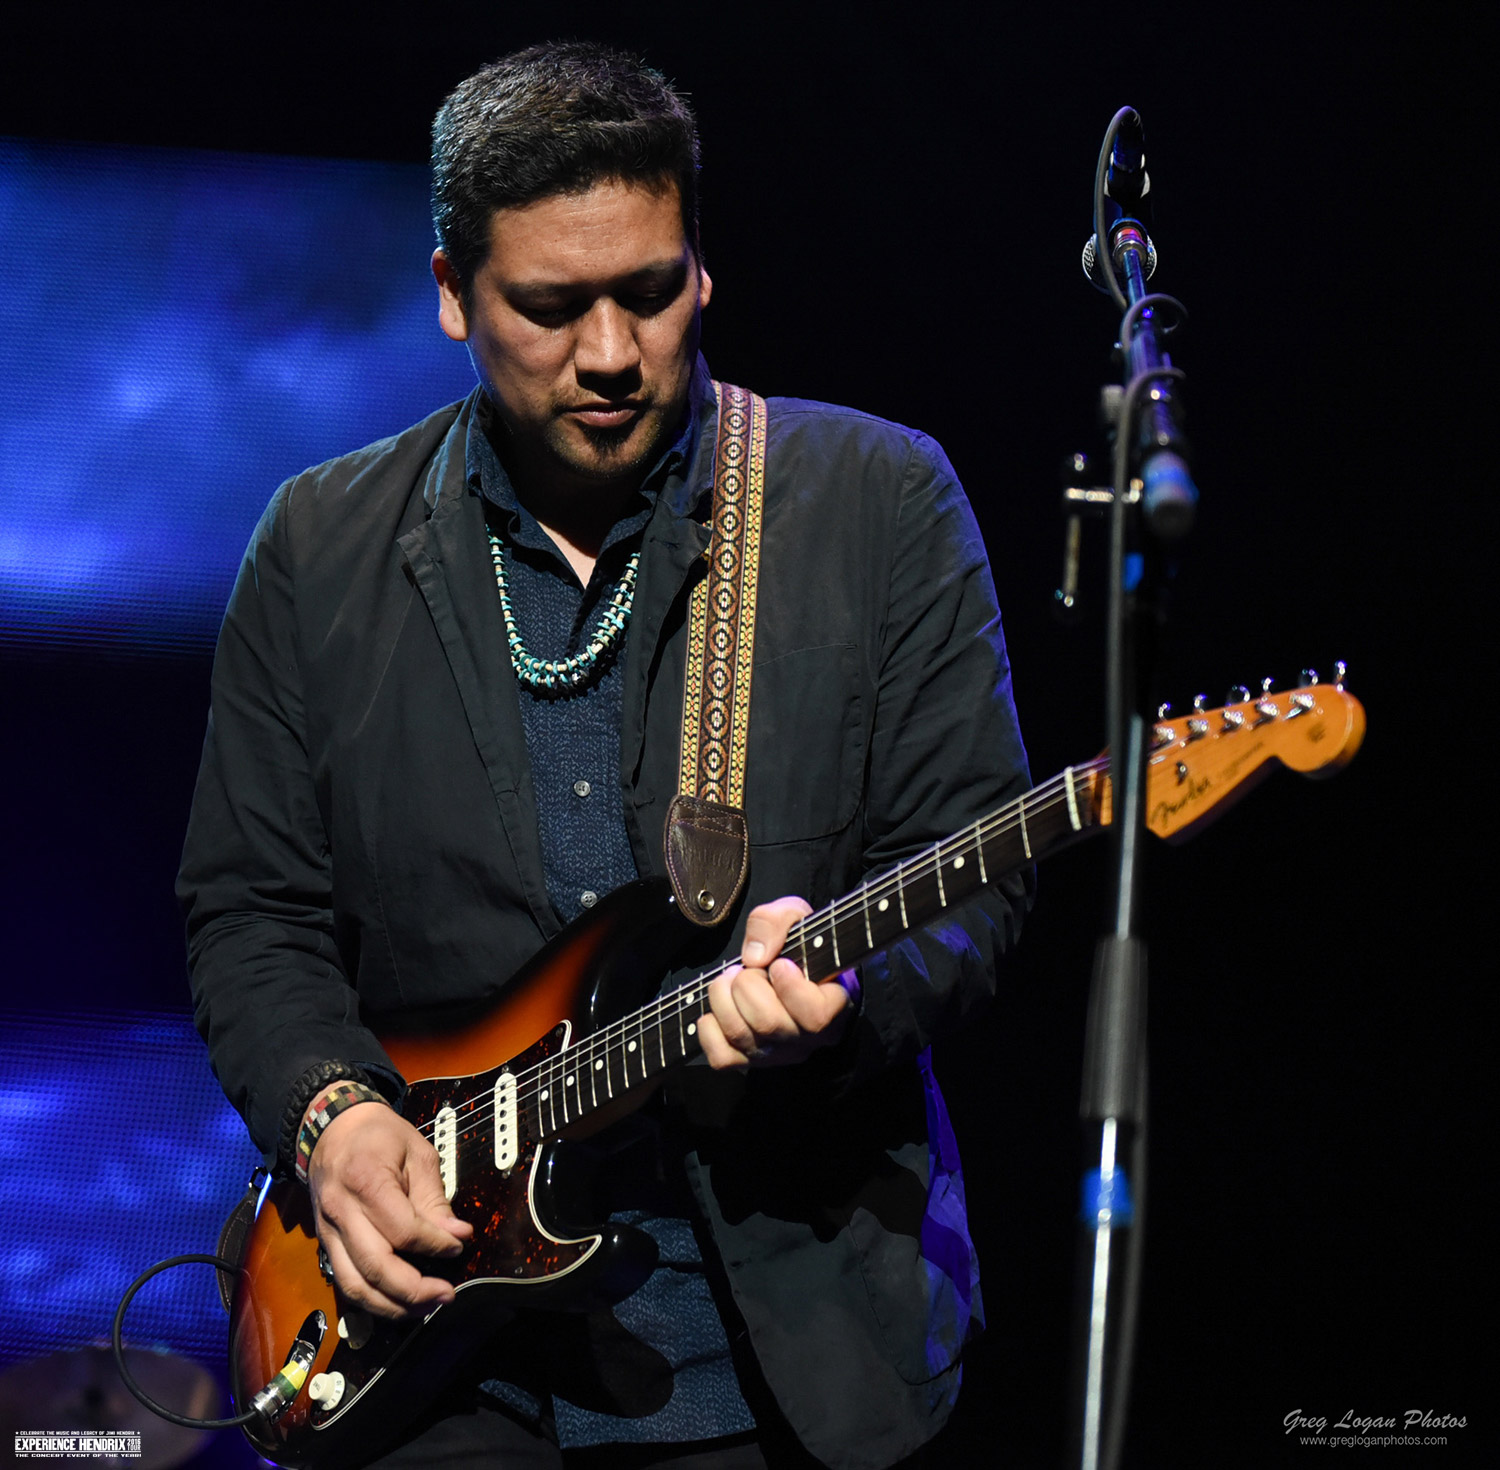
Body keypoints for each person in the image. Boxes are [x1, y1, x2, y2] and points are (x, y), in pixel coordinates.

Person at [179, 40, 1032, 1470]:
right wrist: (332, 1117)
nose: (612, 354)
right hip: (440, 1374)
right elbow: (250, 910)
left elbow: (977, 878)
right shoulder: (317, 549)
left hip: (794, 1357)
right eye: (550, 306)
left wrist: (845, 998)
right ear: (452, 293)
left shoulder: (876, 503)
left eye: (649, 291)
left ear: (701, 269)